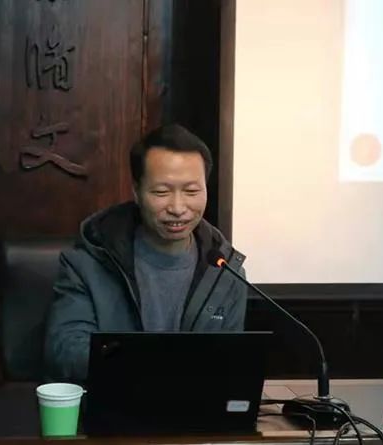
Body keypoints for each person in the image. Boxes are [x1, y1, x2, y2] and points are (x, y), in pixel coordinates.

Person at [44, 124, 248, 382]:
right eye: (161, 192)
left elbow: (229, 366)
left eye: (191, 191)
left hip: (196, 406)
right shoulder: (88, 263)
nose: (178, 207)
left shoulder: (226, 272)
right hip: (112, 402)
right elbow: (66, 355)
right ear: (137, 191)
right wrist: (157, 367)